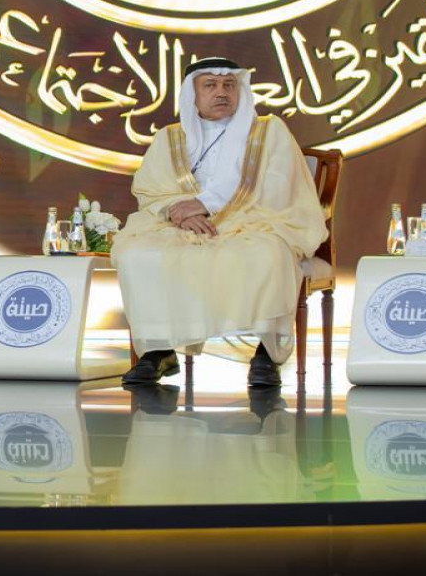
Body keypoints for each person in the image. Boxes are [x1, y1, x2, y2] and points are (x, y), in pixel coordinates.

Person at [113, 57, 326, 388]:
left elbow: (278, 184)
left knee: (268, 254)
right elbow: (151, 188)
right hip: (182, 225)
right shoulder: (169, 138)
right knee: (136, 254)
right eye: (210, 85)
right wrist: (178, 210)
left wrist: (206, 205)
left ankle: (267, 354)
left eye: (229, 85)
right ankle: (158, 350)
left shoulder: (269, 131)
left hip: (255, 220)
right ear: (193, 94)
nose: (221, 92)